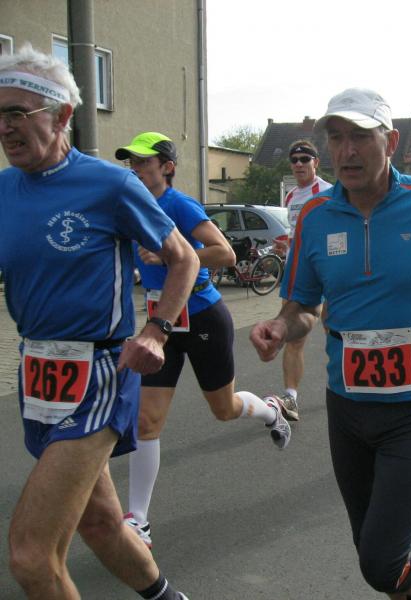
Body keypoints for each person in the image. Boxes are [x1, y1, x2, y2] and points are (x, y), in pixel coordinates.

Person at [250, 88, 411, 600]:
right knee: (373, 552)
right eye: (336, 138)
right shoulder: (314, 217)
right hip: (347, 407)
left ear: (391, 141)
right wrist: (279, 327)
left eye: (361, 136)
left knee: (382, 560)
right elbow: (302, 308)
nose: (347, 150)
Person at [0, 46, 194, 599]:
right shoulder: (4, 189)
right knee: (102, 523)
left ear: (62, 115)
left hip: (98, 374)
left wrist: (156, 330)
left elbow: (183, 258)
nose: (5, 127)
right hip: (35, 371)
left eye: (17, 113)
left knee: (32, 557)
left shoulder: (110, 185)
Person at [116, 132, 291, 548]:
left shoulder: (179, 205)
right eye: (131, 163)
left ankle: (270, 411)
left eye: (143, 162)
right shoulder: (131, 207)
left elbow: (225, 253)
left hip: (202, 316)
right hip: (160, 321)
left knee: (224, 409)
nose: (135, 170)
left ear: (167, 168)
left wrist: (168, 256)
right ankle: (138, 519)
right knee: (147, 420)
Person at [276, 139, 333, 420]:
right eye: (294, 160)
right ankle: (291, 397)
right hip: (298, 273)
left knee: (335, 331)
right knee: (294, 336)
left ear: (316, 163)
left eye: (304, 159)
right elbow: (295, 233)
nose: (299, 164)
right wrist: (286, 247)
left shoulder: (329, 192)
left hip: (328, 271)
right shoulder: (291, 196)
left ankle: (344, 385)